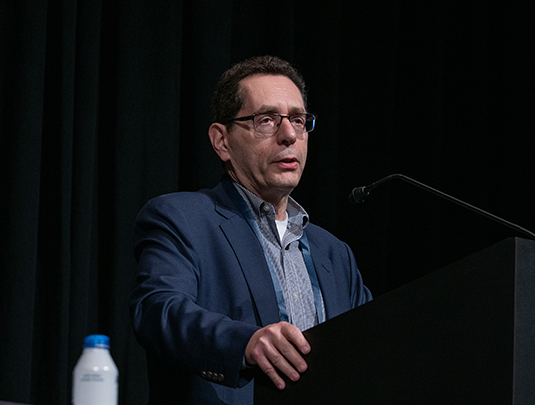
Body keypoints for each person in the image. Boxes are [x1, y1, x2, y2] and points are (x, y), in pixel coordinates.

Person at [129, 55, 372, 405]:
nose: (289, 135)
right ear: (221, 141)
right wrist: (244, 343)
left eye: (299, 121)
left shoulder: (334, 253)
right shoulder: (182, 218)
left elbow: (373, 347)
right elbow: (158, 311)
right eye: (267, 120)